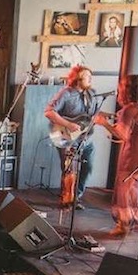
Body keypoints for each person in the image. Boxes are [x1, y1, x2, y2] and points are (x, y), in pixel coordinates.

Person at [97, 75, 138, 237]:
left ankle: (123, 225)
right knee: (136, 187)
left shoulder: (129, 109)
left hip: (134, 150)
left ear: (126, 89)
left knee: (125, 187)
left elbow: (122, 135)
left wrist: (103, 123)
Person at [43, 65, 104, 208]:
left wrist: (106, 119)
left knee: (88, 167)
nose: (90, 79)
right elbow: (49, 112)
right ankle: (67, 199)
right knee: (69, 169)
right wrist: (68, 124)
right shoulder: (66, 93)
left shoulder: (92, 94)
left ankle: (76, 196)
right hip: (66, 136)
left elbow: (94, 116)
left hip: (86, 138)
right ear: (78, 79)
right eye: (87, 76)